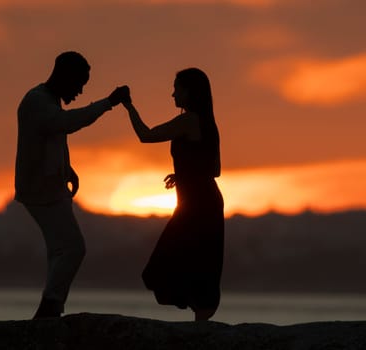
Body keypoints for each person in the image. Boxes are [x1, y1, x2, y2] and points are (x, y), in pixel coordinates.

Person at [14, 51, 129, 319]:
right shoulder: (37, 101)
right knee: (74, 248)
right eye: (79, 84)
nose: (79, 91)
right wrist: (109, 102)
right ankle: (50, 306)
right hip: (41, 191)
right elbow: (66, 124)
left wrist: (68, 169)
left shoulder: (47, 100)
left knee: (59, 250)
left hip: (49, 189)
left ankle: (51, 307)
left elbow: (49, 138)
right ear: (65, 76)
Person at [123, 68, 224, 321]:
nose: (172, 94)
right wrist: (184, 174)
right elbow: (215, 169)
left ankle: (200, 322)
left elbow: (146, 135)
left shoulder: (188, 120)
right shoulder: (208, 122)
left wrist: (128, 106)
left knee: (170, 264)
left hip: (196, 205)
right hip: (204, 200)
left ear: (189, 91)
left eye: (176, 88)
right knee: (196, 261)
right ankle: (200, 322)